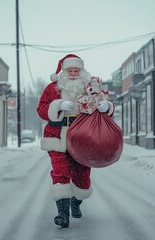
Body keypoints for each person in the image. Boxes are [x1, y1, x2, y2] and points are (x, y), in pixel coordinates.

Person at [37, 54, 114, 228]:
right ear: (63, 72)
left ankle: (75, 202)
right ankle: (63, 214)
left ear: (82, 72)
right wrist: (57, 106)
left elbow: (105, 102)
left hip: (83, 138)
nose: (72, 74)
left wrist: (106, 106)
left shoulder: (90, 87)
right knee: (60, 172)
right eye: (69, 70)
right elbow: (41, 109)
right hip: (57, 137)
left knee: (82, 177)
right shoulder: (52, 89)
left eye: (76, 71)